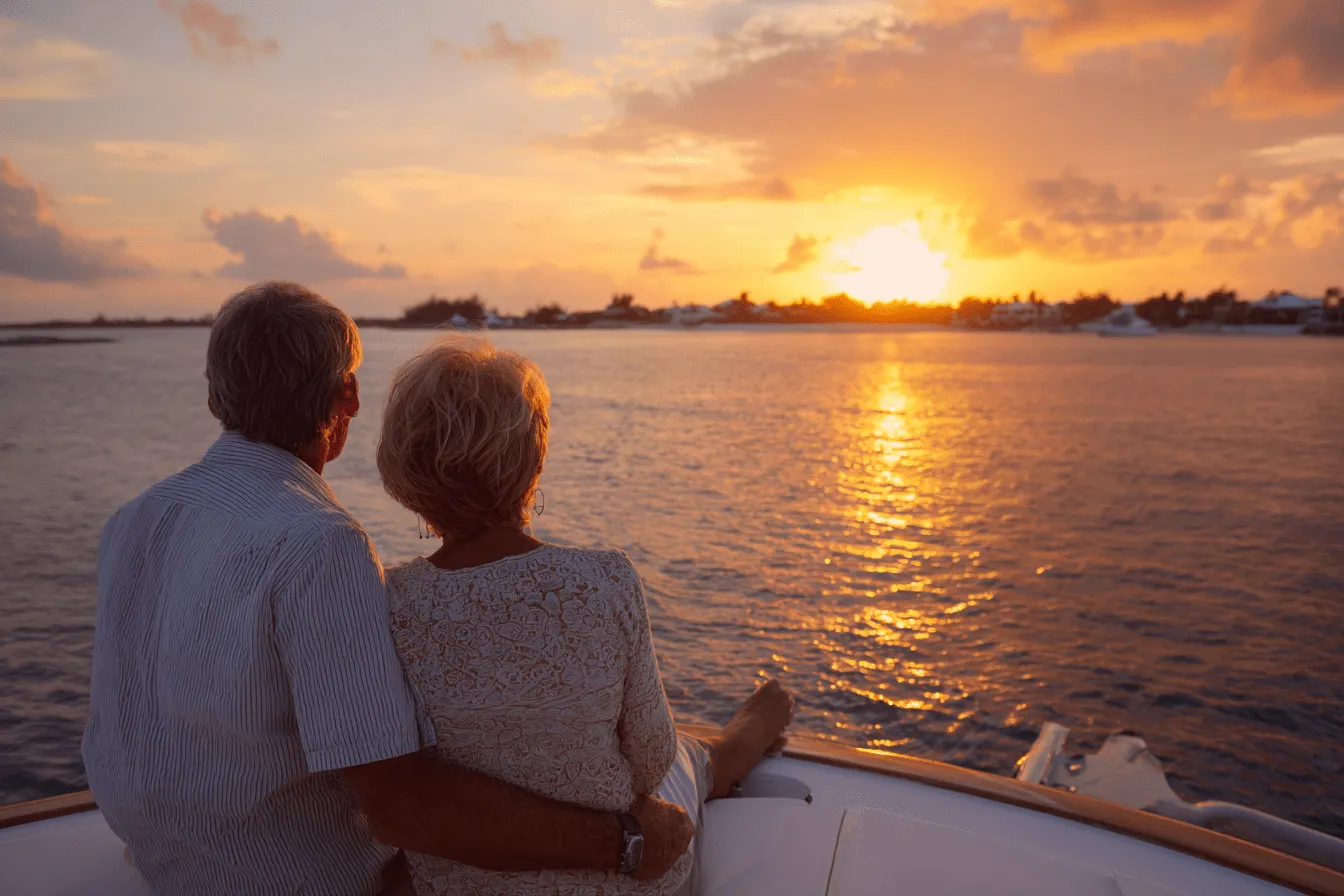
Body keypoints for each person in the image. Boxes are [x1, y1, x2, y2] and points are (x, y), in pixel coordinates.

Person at [81, 282, 693, 896]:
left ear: (216, 394)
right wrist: (627, 842)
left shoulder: (133, 520)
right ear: (346, 395)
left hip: (171, 871)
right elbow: (401, 809)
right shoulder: (318, 544)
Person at [376, 335, 795, 896]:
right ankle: (754, 726)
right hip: (616, 870)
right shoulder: (602, 580)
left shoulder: (388, 601)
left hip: (456, 881)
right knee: (684, 761)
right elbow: (649, 760)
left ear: (404, 467)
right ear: (534, 457)